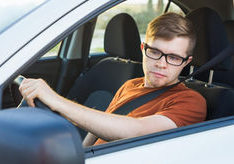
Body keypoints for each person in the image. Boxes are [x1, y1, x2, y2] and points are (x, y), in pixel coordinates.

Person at [19, 12, 206, 147]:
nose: (162, 64)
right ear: (143, 49)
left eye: (173, 57)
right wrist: (83, 153)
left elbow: (137, 131)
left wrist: (55, 101)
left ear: (186, 62)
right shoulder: (130, 85)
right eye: (155, 52)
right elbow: (99, 127)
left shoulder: (191, 102)